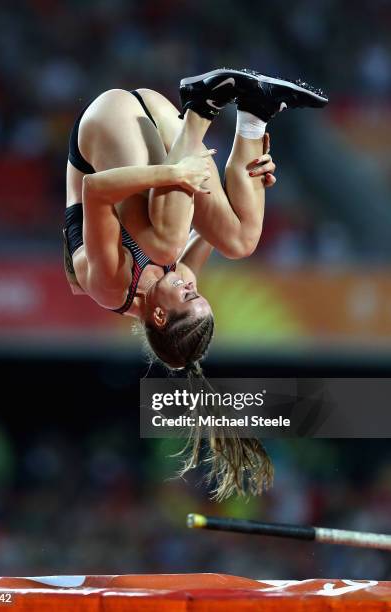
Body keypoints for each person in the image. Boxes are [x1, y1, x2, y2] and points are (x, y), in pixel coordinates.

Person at [64, 68, 328, 498]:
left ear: (161, 313)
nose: (191, 284)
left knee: (167, 245)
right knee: (241, 239)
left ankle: (203, 104)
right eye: (198, 292)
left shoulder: (111, 285)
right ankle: (256, 113)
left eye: (189, 297)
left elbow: (95, 190)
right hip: (162, 129)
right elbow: (212, 229)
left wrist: (175, 177)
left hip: (107, 124)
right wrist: (255, 175)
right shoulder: (177, 278)